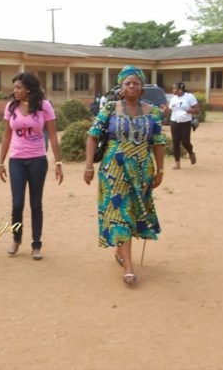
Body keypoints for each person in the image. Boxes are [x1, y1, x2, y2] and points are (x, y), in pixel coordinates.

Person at [84, 65, 165, 285]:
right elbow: (92, 136)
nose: (132, 86)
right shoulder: (110, 108)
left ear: (142, 88)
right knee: (120, 213)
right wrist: (89, 166)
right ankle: (128, 266)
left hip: (141, 172)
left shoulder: (153, 111)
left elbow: (158, 143)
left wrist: (160, 170)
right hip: (113, 172)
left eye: (136, 83)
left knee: (134, 211)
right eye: (127, 83)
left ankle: (121, 250)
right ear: (121, 86)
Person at [0, 72, 63, 260]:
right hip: (16, 161)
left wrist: (58, 162)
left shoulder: (44, 107)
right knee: (17, 203)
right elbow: (6, 136)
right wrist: (1, 162)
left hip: (37, 160)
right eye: (14, 88)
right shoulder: (11, 107)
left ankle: (36, 244)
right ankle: (16, 239)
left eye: (18, 87)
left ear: (28, 89)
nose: (15, 91)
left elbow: (52, 135)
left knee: (36, 204)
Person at [167, 82, 199, 170]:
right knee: (175, 143)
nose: (173, 90)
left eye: (175, 89)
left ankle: (191, 153)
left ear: (180, 89)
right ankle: (177, 164)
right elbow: (170, 110)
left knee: (185, 142)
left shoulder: (189, 97)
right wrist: (165, 110)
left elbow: (197, 109)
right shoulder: (173, 99)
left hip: (185, 122)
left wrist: (190, 111)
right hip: (174, 122)